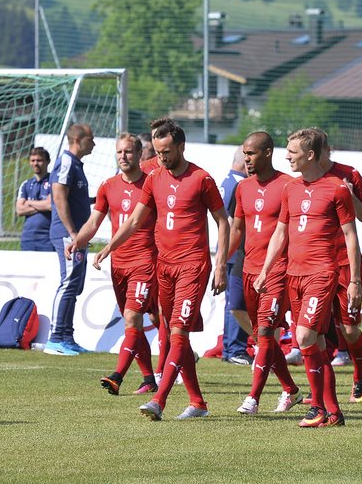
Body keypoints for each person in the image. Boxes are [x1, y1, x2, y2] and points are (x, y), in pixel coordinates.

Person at [94, 117, 230, 421]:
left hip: (193, 265)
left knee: (178, 331)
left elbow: (223, 221)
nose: (162, 158)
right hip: (163, 266)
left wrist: (220, 264)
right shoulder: (154, 178)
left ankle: (159, 399)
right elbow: (133, 221)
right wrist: (109, 247)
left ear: (181, 147)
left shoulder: (202, 179)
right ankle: (198, 402)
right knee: (174, 333)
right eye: (158, 152)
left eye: (167, 151)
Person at [256, 128, 362, 427]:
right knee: (317, 344)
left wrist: (354, 281)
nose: (287, 156)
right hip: (293, 273)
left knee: (303, 337)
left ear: (311, 155)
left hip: (322, 273)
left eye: (293, 152)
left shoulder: (337, 188)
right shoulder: (290, 189)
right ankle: (333, 412)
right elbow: (280, 232)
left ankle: (316, 408)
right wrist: (266, 269)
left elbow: (351, 236)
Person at [68, 133, 158, 395]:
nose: (123, 156)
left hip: (145, 261)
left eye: (128, 152)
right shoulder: (108, 186)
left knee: (132, 318)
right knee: (133, 323)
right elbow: (94, 222)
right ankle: (149, 378)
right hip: (118, 264)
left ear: (140, 154)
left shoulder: (152, 184)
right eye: (119, 152)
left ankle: (117, 376)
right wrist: (77, 241)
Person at [230, 131, 303, 415]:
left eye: (251, 154)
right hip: (248, 270)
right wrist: (222, 260)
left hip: (277, 272)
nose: (246, 159)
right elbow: (237, 228)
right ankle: (292, 390)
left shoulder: (288, 185)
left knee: (264, 333)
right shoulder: (243, 188)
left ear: (268, 153)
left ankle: (253, 399)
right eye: (245, 154)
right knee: (265, 337)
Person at [319, 136, 362, 400]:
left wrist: (350, 196)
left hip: (345, 263)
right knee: (313, 330)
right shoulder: (303, 180)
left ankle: (359, 374)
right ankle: (319, 393)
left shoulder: (349, 175)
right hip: (314, 264)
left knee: (349, 329)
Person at [44, 124, 96, 356]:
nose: (93, 143)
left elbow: (75, 199)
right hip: (68, 235)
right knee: (68, 283)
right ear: (77, 139)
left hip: (76, 235)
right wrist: (73, 233)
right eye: (90, 139)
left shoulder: (76, 165)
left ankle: (67, 336)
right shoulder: (66, 162)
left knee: (75, 285)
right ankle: (55, 338)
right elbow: (58, 196)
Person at [220, 147, 252, 365]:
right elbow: (231, 221)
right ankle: (235, 349)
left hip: (229, 249)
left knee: (232, 301)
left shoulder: (226, 181)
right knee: (237, 301)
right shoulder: (240, 184)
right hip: (235, 250)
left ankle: (230, 348)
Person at [16, 147, 53, 252]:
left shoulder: (54, 182)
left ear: (47, 161)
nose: (35, 163)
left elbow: (50, 205)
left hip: (47, 239)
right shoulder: (26, 184)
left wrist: (29, 202)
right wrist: (43, 205)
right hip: (28, 238)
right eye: (33, 160)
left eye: (39, 160)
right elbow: (19, 210)